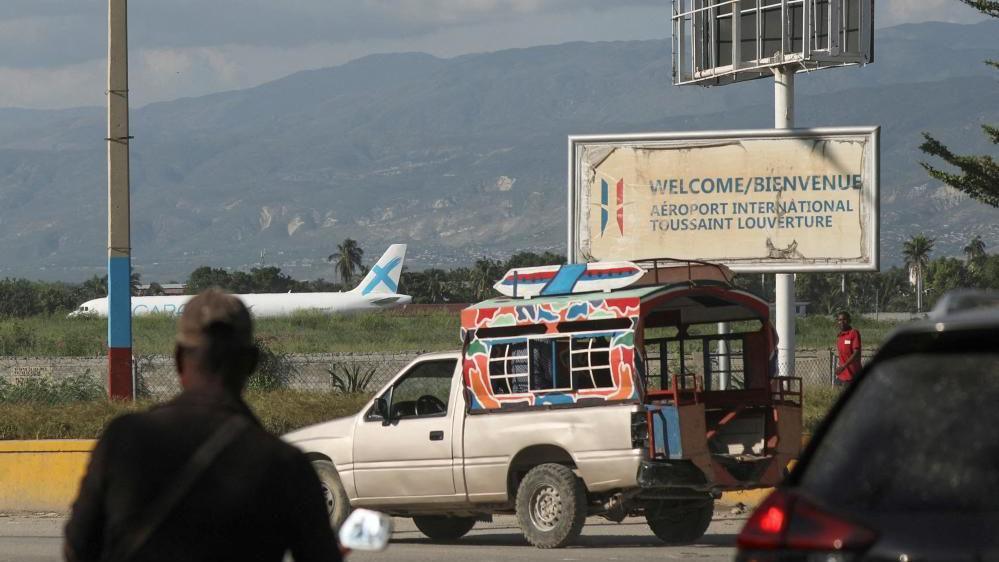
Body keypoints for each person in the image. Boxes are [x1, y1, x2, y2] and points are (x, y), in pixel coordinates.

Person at [64, 289, 343, 562]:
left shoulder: (123, 440)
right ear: (251, 363)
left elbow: (78, 548)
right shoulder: (285, 465)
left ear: (177, 358)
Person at [834, 311, 862, 385]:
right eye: (839, 320)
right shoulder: (840, 336)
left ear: (849, 321)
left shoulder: (854, 333)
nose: (842, 322)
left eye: (844, 319)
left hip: (853, 375)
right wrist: (841, 367)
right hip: (842, 375)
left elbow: (856, 352)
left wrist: (843, 366)